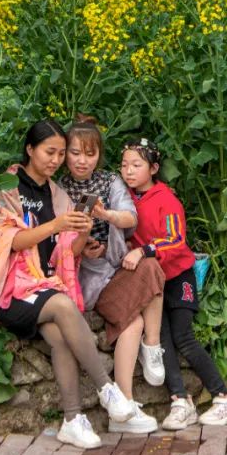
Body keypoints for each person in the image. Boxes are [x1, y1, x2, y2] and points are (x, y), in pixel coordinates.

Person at [0, 118, 136, 449]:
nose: (55, 160)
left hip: (45, 285)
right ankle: (108, 389)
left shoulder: (58, 194)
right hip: (12, 289)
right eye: (50, 152)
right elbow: (8, 240)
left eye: (60, 154)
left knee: (62, 340)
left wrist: (81, 230)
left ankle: (72, 420)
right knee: (63, 304)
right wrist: (55, 225)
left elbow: (67, 254)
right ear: (29, 149)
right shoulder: (6, 185)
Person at [116, 137, 227, 430]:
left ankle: (225, 398)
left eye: (137, 165)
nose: (129, 171)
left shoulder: (166, 199)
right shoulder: (125, 198)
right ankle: (180, 401)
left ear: (154, 168)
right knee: (160, 340)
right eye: (124, 165)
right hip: (151, 280)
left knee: (182, 336)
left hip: (177, 275)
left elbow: (176, 240)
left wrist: (145, 250)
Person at [57, 116, 163, 434]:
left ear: (98, 156)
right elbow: (55, 245)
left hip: (116, 267)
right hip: (86, 279)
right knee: (134, 320)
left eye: (89, 154)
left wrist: (105, 215)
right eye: (75, 153)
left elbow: (129, 217)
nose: (82, 161)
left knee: (150, 265)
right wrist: (81, 247)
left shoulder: (110, 181)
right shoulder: (58, 189)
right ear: (65, 154)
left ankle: (151, 351)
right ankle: (126, 403)